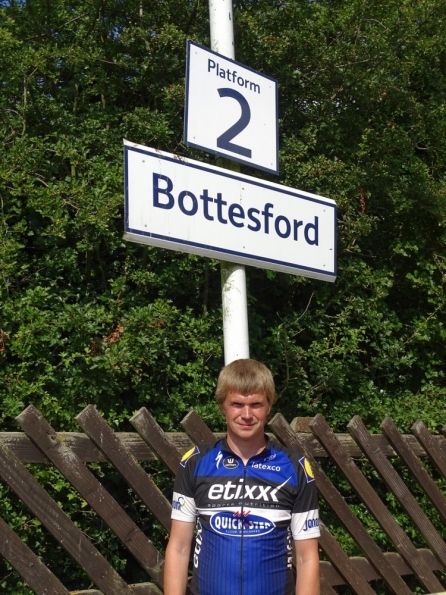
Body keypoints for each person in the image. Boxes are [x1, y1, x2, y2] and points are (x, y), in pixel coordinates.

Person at [164, 358, 320, 595]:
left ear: (269, 406)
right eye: (236, 404)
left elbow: (307, 557)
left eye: (256, 404)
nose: (247, 414)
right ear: (222, 407)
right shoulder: (194, 463)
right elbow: (178, 547)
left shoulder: (296, 468)